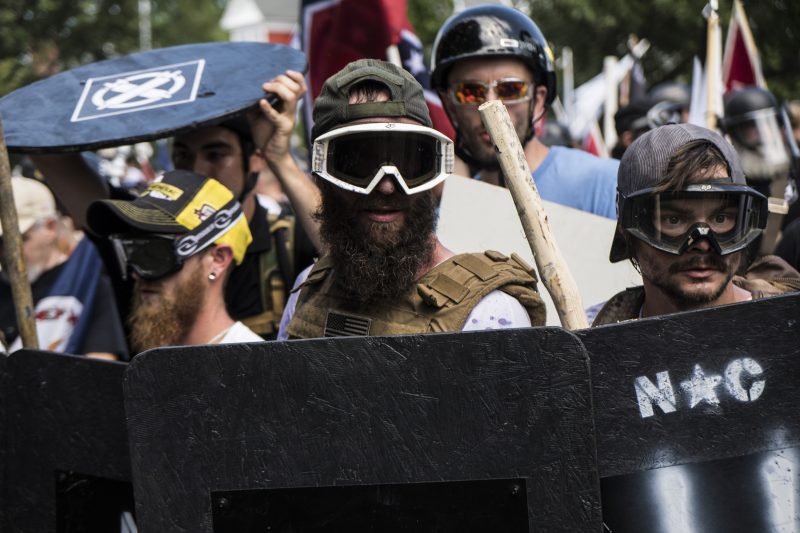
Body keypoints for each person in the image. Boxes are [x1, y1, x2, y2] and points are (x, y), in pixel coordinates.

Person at [33, 70, 320, 340]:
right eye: (182, 155)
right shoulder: (140, 226)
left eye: (216, 155)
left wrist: (280, 158)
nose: (196, 170)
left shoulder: (289, 240)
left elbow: (348, 253)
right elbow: (42, 143)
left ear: (256, 158)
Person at [280, 59, 545, 339]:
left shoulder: (488, 315)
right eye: (358, 164)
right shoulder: (307, 291)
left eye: (408, 162)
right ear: (322, 173)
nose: (385, 186)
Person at [593, 123, 800, 326]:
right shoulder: (593, 338)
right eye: (673, 220)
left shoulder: (786, 325)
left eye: (721, 218)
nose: (702, 243)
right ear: (629, 230)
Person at [429, 4, 618, 220]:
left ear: (537, 100)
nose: (491, 106)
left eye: (510, 89)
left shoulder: (608, 185)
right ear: (451, 106)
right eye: (470, 92)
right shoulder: (449, 219)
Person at [86, 170, 262, 352]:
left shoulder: (253, 366)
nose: (137, 273)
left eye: (156, 253)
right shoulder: (151, 359)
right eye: (131, 251)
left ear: (218, 260)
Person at [0, 177, 127, 359]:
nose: (6, 252)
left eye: (18, 240)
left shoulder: (86, 284)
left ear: (50, 227)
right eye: (0, 242)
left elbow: (100, 366)